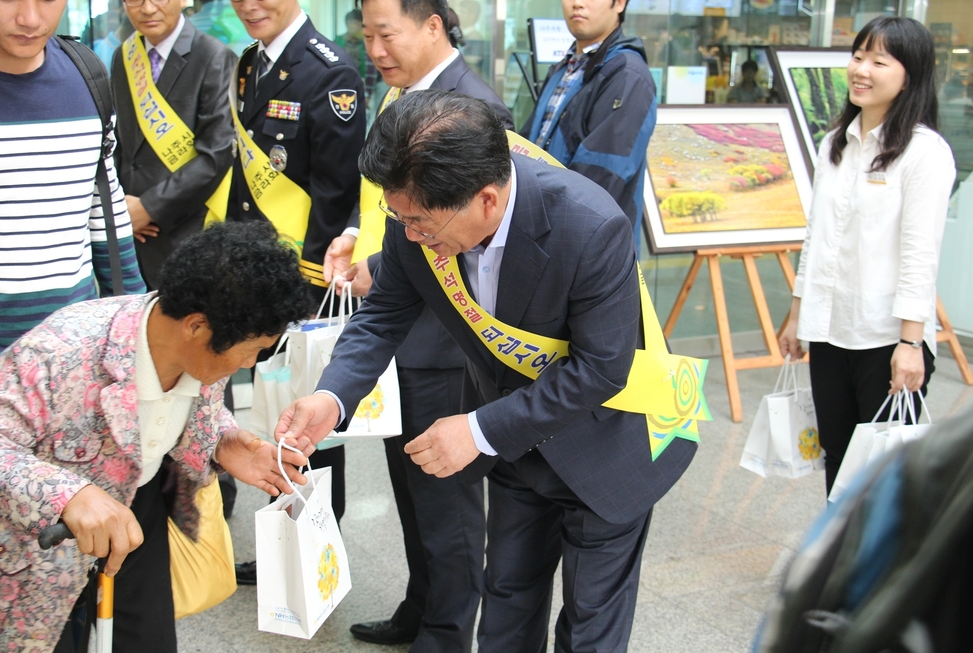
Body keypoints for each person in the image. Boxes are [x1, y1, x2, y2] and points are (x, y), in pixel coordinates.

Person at [282, 91, 696, 653]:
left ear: (486, 200)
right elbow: (381, 316)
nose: (407, 236)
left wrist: (476, 431)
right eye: (397, 218)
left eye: (419, 222)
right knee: (507, 602)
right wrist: (332, 397)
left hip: (610, 442)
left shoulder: (589, 224)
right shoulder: (418, 214)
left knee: (590, 627)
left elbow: (601, 370)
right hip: (518, 449)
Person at [0, 221, 313, 653]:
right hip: (39, 543)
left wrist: (221, 440)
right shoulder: (58, 353)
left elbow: (171, 411)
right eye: (252, 350)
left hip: (136, 512)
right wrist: (67, 496)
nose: (247, 365)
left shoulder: (200, 352)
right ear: (196, 327)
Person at [322, 1, 514, 649]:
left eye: (387, 34)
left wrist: (385, 261)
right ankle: (420, 602)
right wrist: (357, 234)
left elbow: (476, 240)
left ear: (433, 25)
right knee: (411, 491)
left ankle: (447, 632)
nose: (375, 49)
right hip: (402, 330)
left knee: (449, 506)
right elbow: (385, 193)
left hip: (446, 344)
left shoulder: (474, 109)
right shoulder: (400, 97)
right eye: (367, 36)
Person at [779, 16, 956, 494]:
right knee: (837, 457)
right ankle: (843, 564)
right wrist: (798, 313)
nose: (862, 69)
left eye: (880, 60)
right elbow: (817, 237)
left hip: (885, 336)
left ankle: (882, 565)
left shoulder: (925, 153)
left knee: (881, 470)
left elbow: (921, 254)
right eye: (859, 56)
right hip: (830, 328)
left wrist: (911, 343)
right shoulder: (834, 142)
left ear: (909, 75)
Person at [227, 0, 366, 585]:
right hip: (253, 277)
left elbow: (336, 197)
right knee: (269, 414)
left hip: (300, 289)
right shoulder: (249, 63)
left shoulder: (330, 73)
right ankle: (283, 537)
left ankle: (312, 554)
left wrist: (301, 293)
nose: (250, 6)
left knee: (307, 423)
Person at [0, 0, 146, 360]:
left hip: (74, 357)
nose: (29, 19)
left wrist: (137, 320)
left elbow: (104, 210)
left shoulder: (87, 76)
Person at [111, 0, 237, 289]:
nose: (147, 9)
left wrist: (149, 208)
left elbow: (215, 155)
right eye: (135, 0)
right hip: (131, 231)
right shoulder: (124, 56)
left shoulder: (213, 56)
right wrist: (122, 207)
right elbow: (118, 142)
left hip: (187, 230)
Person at [521, 0, 656, 246]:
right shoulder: (566, 67)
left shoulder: (628, 75)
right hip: (542, 236)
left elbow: (600, 178)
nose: (577, 4)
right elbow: (528, 144)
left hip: (586, 248)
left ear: (620, 4)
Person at [336, 8, 378, 114]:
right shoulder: (337, 42)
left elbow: (371, 71)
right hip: (340, 87)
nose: (355, 27)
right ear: (347, 24)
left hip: (362, 87)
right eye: (352, 23)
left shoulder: (366, 44)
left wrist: (368, 93)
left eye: (358, 24)